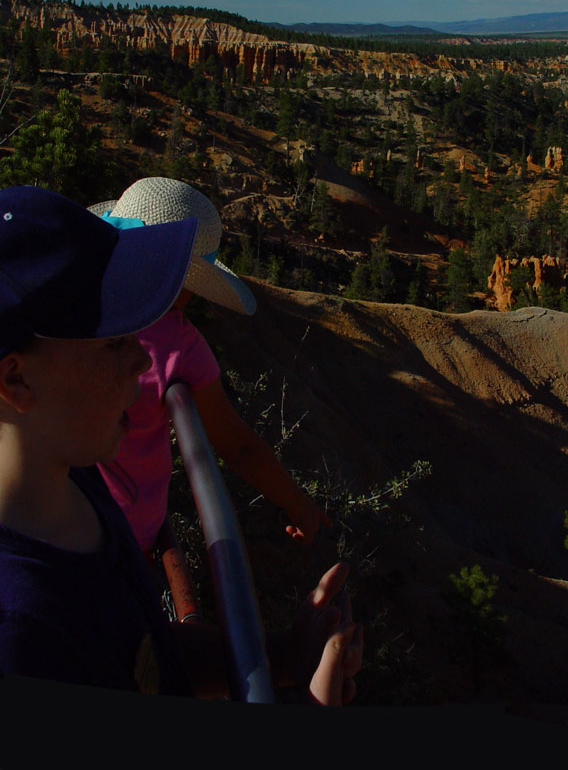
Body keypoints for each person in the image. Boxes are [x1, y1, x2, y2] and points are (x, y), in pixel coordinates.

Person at [0, 185, 355, 703]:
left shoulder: (77, 490)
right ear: (16, 382)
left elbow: (140, 652)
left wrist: (284, 656)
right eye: (116, 341)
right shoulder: (20, 635)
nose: (144, 362)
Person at [86, 178, 329, 623]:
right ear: (185, 283)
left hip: (48, 509)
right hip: (124, 532)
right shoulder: (181, 344)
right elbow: (236, 444)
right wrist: (298, 503)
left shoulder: (75, 304)